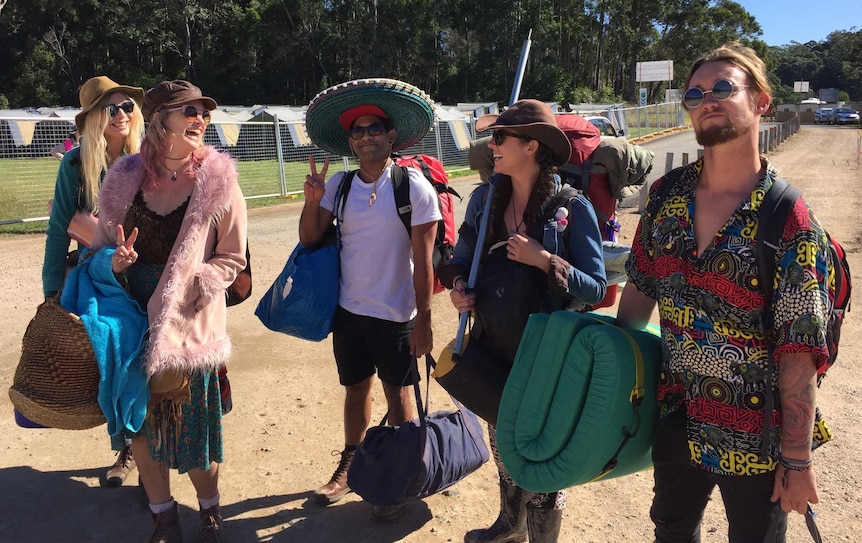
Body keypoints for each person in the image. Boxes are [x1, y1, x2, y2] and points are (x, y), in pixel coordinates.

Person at [616, 42, 833, 542]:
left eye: (722, 88)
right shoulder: (667, 195)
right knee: (671, 530)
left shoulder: (788, 216)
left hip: (756, 432)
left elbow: (800, 352)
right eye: (695, 92)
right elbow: (639, 292)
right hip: (677, 414)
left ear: (761, 102)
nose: (706, 99)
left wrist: (797, 460)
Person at [439, 99, 607, 543]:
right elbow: (461, 260)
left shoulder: (572, 207)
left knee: (543, 459)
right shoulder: (484, 200)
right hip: (495, 347)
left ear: (531, 146)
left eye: (499, 138)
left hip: (549, 358)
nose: (490, 146)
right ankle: (510, 526)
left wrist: (545, 259)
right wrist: (460, 289)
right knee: (504, 447)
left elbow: (596, 287)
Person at [88, 79, 247, 543]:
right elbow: (98, 248)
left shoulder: (219, 179)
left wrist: (201, 282)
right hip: (130, 318)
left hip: (187, 320)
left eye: (204, 112)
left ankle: (210, 511)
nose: (201, 119)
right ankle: (163, 516)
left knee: (193, 431)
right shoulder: (122, 178)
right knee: (140, 425)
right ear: (160, 121)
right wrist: (114, 262)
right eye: (189, 111)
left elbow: (233, 258)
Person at [300, 78, 441, 521]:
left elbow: (424, 259)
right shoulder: (340, 186)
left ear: (391, 135)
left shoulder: (412, 187)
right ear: (350, 141)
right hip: (349, 312)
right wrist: (312, 200)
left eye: (373, 128)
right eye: (357, 132)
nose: (365, 137)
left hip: (396, 313)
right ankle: (350, 465)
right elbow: (309, 239)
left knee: (398, 398)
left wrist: (424, 322)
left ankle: (396, 479)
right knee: (354, 389)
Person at [42, 76, 145, 487]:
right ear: (92, 120)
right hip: (100, 274)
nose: (121, 115)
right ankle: (126, 445)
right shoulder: (75, 166)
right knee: (116, 350)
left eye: (127, 108)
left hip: (148, 268)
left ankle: (151, 445)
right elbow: (57, 228)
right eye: (110, 109)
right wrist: (52, 288)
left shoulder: (149, 158)